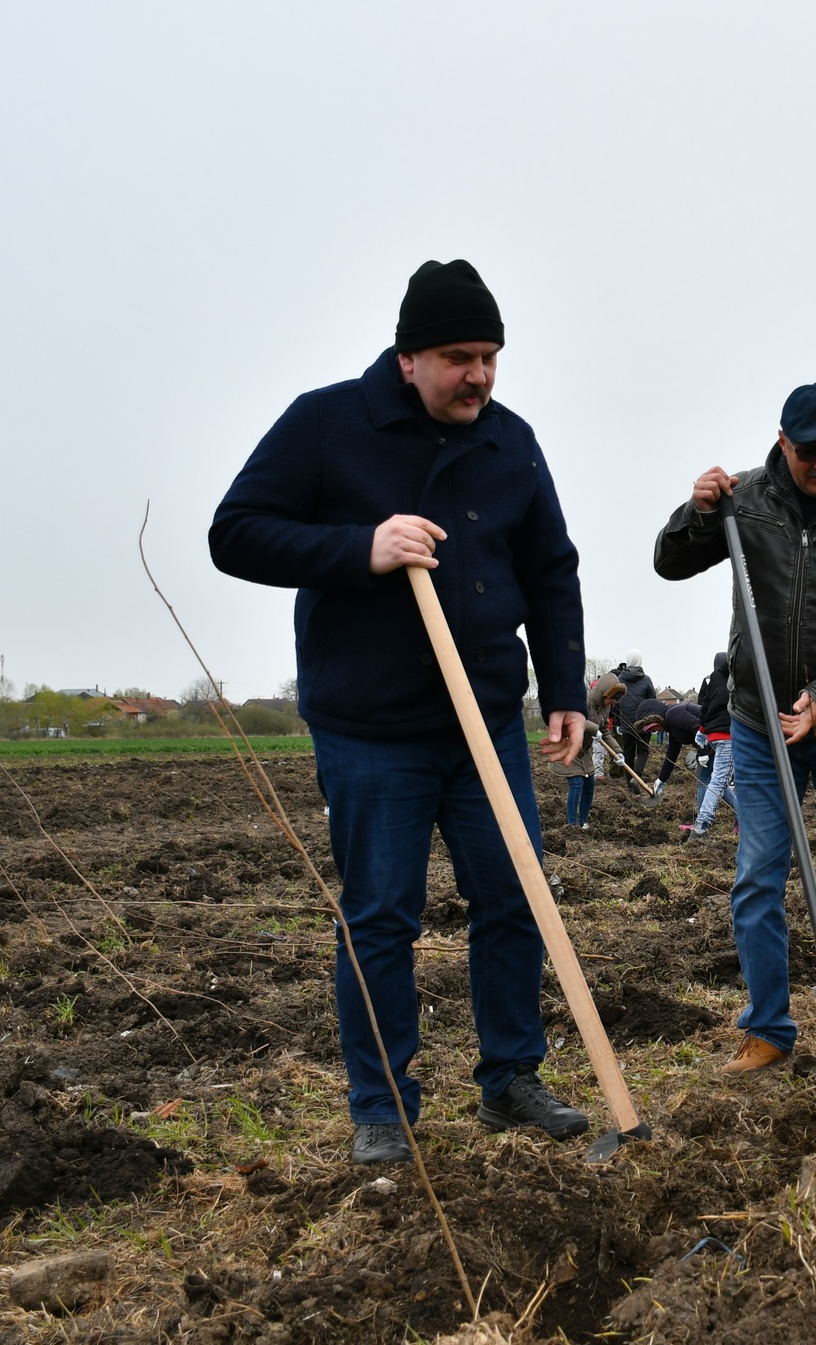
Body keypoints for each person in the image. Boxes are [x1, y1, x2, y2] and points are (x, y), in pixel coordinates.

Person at [209, 259, 591, 1164]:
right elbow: (236, 532)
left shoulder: (511, 442)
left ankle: (511, 1078)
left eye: (491, 357)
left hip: (484, 720)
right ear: (408, 356)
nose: (479, 376)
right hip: (372, 728)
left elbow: (551, 569)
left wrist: (565, 688)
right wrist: (361, 547)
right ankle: (382, 1105)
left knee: (514, 897)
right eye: (460, 358)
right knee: (381, 915)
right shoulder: (325, 423)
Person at [654, 382, 816, 1073]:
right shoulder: (744, 500)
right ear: (783, 442)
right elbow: (670, 562)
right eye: (809, 452)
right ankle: (768, 1028)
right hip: (756, 723)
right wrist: (698, 512)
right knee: (757, 873)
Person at [686, 651, 737, 841]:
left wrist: (702, 729)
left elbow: (706, 705)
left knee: (723, 778)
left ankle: (746, 819)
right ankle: (701, 826)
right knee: (719, 780)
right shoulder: (739, 676)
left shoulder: (714, 677)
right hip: (728, 733)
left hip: (714, 734)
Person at [562, 672, 615, 829]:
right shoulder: (582, 701)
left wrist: (618, 752)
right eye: (612, 698)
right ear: (604, 693)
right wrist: (593, 728)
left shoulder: (605, 708)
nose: (613, 702)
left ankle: (583, 821)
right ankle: (572, 824)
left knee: (589, 783)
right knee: (577, 783)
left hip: (584, 751)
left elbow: (605, 731)